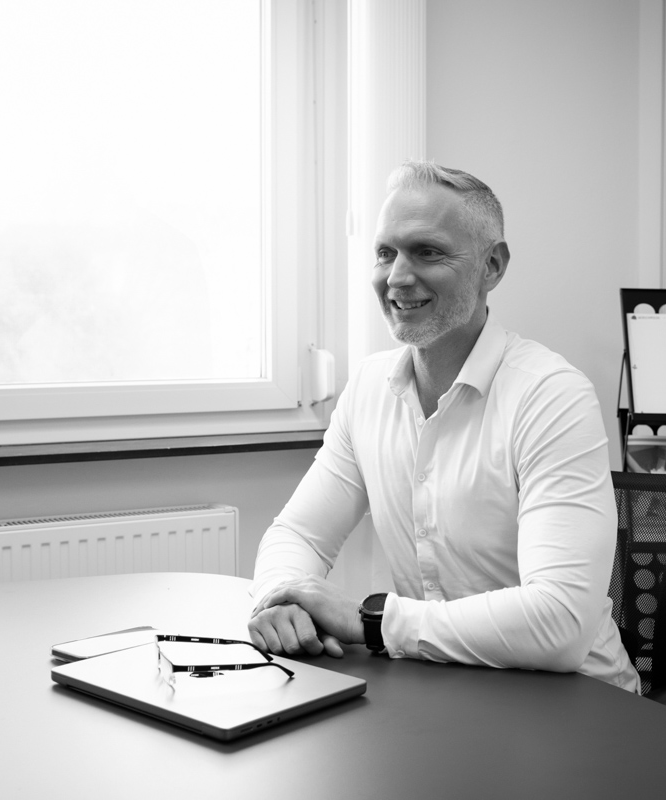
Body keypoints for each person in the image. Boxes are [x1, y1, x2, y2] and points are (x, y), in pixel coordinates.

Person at [247, 161, 639, 692]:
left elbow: (561, 621)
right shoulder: (369, 387)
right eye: (386, 253)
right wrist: (281, 596)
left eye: (427, 252)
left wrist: (373, 621)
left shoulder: (550, 395)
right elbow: (298, 534)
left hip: (576, 701)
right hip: (442, 685)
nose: (398, 277)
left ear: (492, 266)